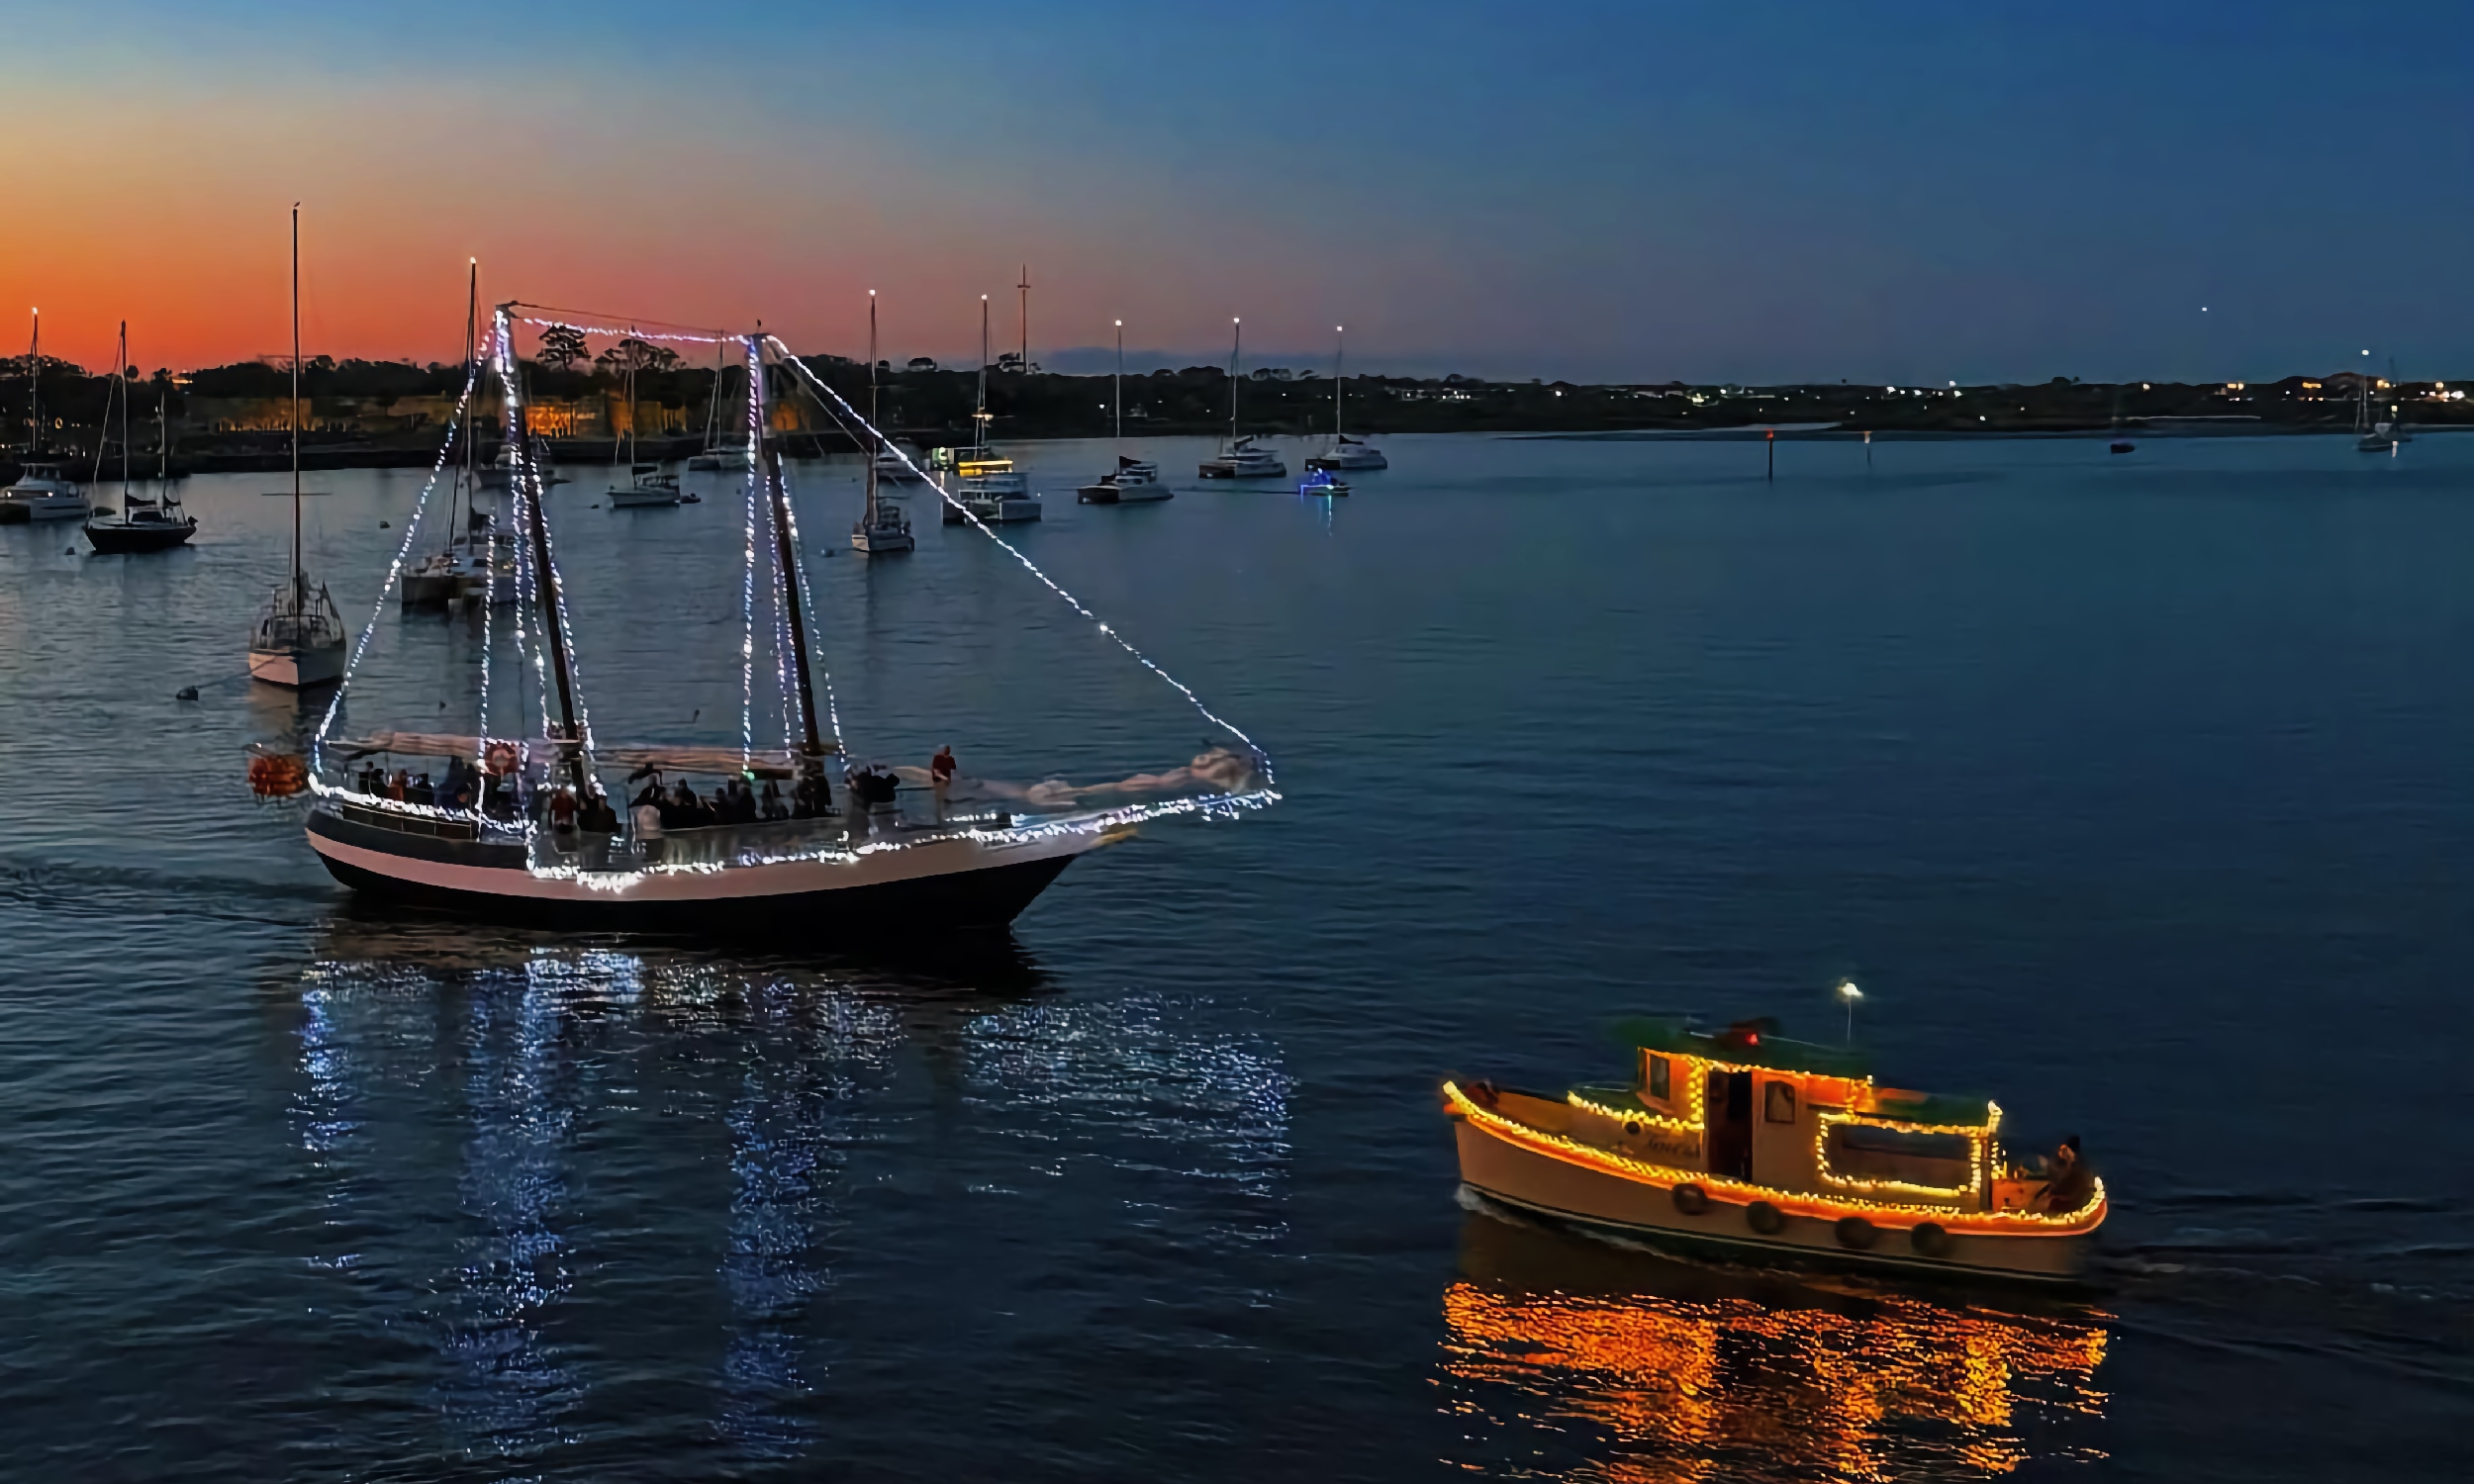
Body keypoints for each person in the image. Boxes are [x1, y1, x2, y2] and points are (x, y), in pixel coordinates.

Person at [2033, 1136, 2096, 1214]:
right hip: (2062, 1195)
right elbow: (2055, 1180)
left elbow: (2075, 1191)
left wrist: (2053, 1194)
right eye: (2061, 1149)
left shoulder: (2078, 1171)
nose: (2061, 1152)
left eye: (2064, 1150)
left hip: (2072, 1204)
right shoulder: (2062, 1164)